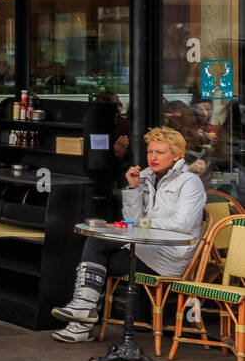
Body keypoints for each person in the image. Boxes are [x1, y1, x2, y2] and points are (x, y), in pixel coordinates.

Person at [51, 127, 206, 343]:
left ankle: (82, 322)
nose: (152, 157)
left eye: (160, 152)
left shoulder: (190, 182)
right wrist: (133, 188)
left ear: (177, 155)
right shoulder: (144, 176)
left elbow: (183, 224)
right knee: (95, 245)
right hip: (143, 248)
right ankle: (83, 314)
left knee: (95, 257)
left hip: (170, 256)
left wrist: (144, 224)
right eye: (150, 151)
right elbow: (131, 220)